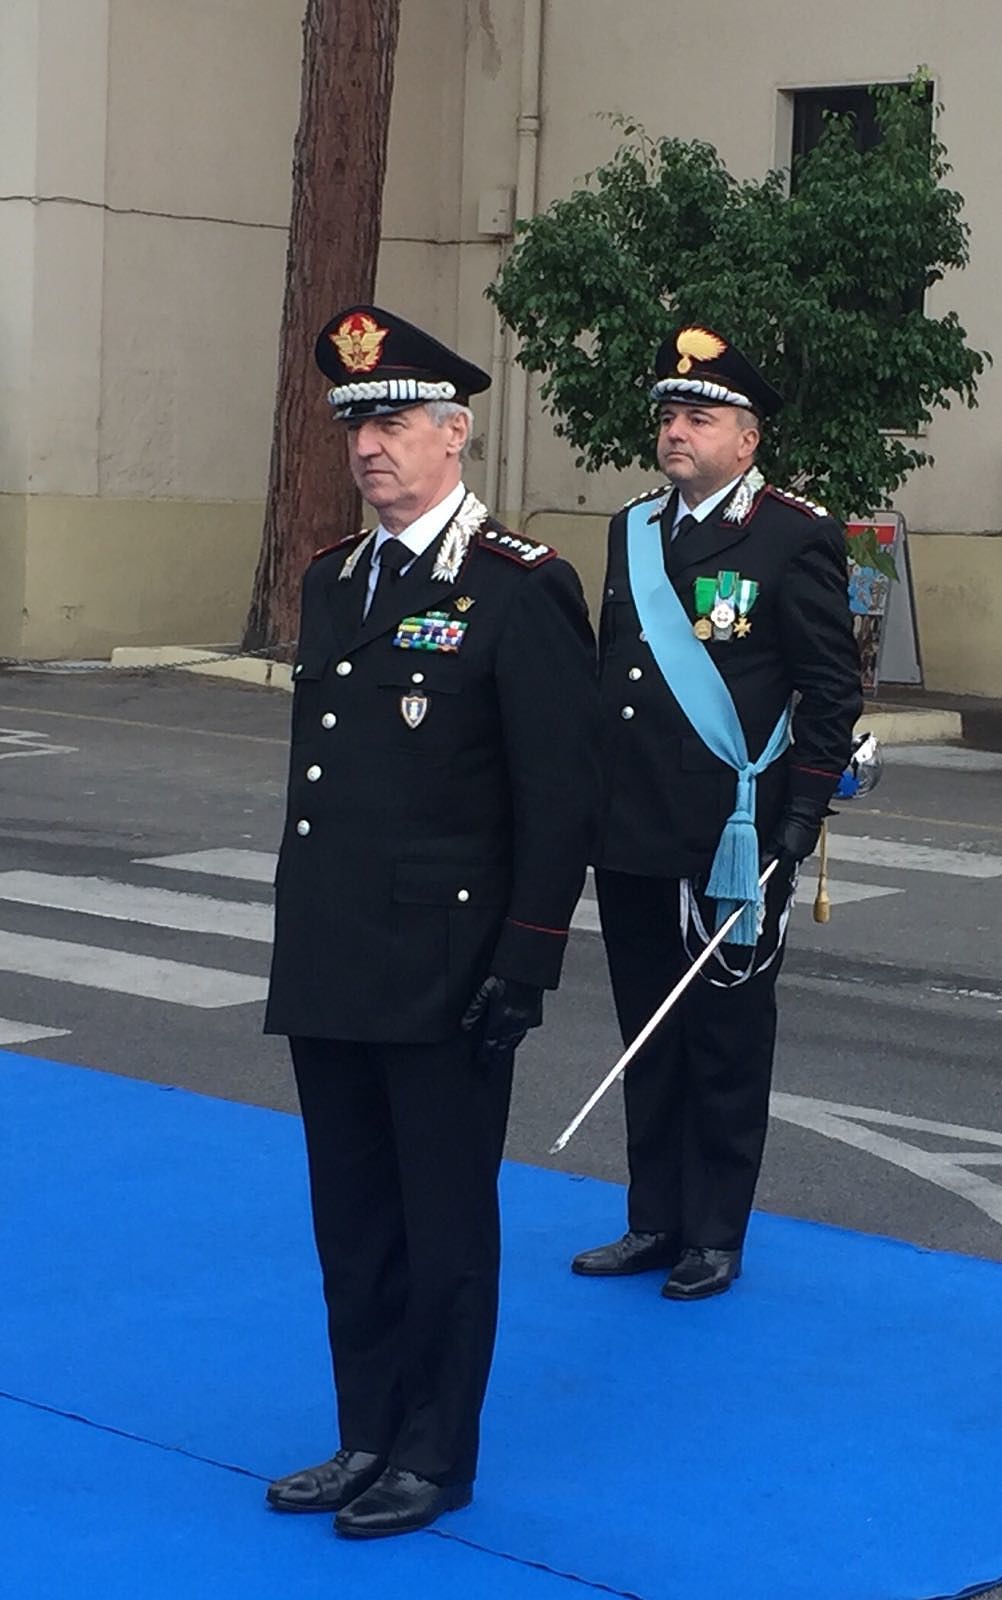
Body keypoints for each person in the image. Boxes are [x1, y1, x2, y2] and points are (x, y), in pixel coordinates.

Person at [262, 305, 599, 1537]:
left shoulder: (517, 585)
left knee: (442, 1224)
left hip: (446, 965)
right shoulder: (334, 579)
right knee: (352, 1220)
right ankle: (365, 1430)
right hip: (333, 956)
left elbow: (558, 795)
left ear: (454, 434)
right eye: (356, 425)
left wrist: (527, 958)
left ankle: (432, 1452)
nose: (369, 447)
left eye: (395, 422)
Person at [571, 326, 862, 1301]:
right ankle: (653, 1217)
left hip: (731, 834)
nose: (675, 431)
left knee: (725, 1038)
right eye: (668, 415)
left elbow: (829, 691)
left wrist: (801, 817)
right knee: (647, 1033)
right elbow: (612, 677)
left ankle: (714, 1231)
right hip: (632, 825)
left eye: (698, 416)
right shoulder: (632, 530)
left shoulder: (791, 535)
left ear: (747, 437)